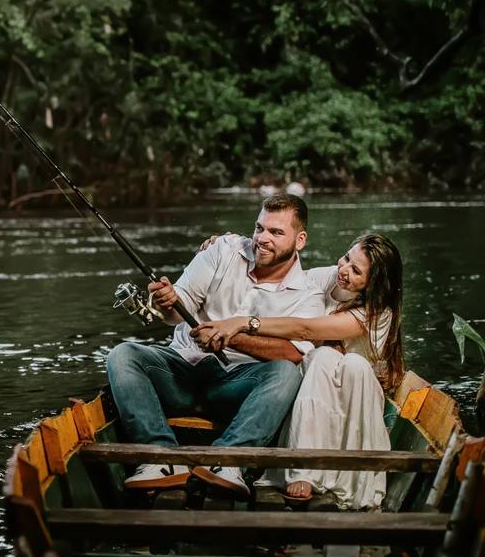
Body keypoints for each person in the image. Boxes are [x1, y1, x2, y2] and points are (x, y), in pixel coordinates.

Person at [105, 194, 325, 498]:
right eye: (259, 228)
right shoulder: (223, 249)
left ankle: (228, 460)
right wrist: (167, 300)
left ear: (299, 240)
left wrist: (230, 336)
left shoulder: (308, 294)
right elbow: (175, 310)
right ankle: (161, 457)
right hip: (180, 371)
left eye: (276, 232)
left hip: (234, 386)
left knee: (286, 374)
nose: (262, 238)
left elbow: (293, 353)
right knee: (123, 355)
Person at [194, 233, 404, 510]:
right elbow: (283, 271)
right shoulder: (328, 278)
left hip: (355, 391)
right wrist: (231, 244)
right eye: (346, 258)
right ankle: (302, 466)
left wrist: (244, 323)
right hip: (313, 385)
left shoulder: (376, 313)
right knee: (321, 357)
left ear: (374, 284)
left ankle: (312, 469)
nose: (343, 270)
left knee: (336, 360)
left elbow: (305, 329)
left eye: (356, 271)